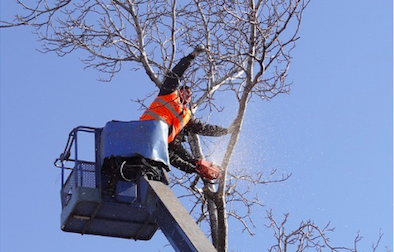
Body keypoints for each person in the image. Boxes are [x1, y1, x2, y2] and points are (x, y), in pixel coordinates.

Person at [140, 46, 231, 179]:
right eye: (186, 92)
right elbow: (175, 74)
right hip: (145, 132)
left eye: (190, 95)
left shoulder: (185, 116)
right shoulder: (168, 94)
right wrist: (191, 56)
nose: (188, 96)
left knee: (159, 173)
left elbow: (202, 129)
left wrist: (194, 166)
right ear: (179, 91)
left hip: (156, 146)